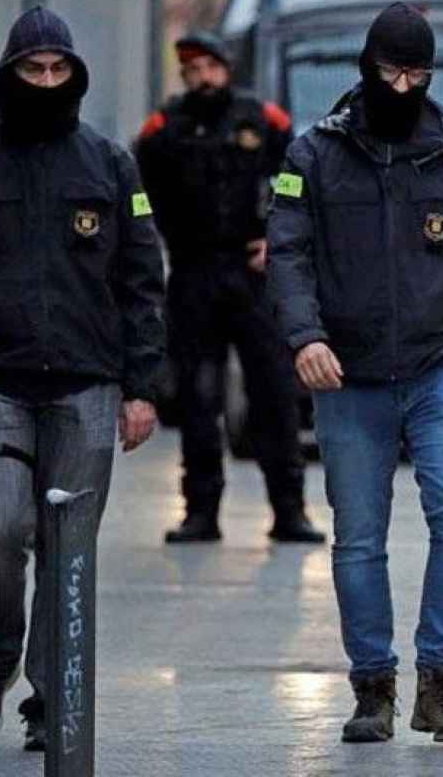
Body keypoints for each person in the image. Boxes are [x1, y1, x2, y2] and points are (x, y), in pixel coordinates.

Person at [267, 3, 443, 743]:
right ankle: (372, 688)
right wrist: (305, 338)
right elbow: (287, 255)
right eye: (391, 72)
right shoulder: (313, 157)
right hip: (348, 377)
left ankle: (440, 685)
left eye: (418, 74)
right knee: (357, 538)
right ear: (366, 67)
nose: (403, 86)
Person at [0, 7, 167, 750]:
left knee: (69, 553)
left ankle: (47, 699)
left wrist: (143, 386)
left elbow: (141, 278)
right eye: (33, 70)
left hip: (87, 386)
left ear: (75, 77)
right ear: (9, 75)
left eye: (59, 70)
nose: (47, 81)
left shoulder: (110, 165)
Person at [135, 31, 322, 545]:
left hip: (253, 273)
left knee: (274, 392)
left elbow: (297, 179)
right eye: (192, 71)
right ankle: (201, 511)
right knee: (197, 396)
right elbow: (140, 190)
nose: (202, 79)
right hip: (194, 273)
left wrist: (277, 235)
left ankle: (289, 510)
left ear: (226, 68)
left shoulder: (263, 121)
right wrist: (164, 240)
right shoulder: (165, 129)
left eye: (210, 69)